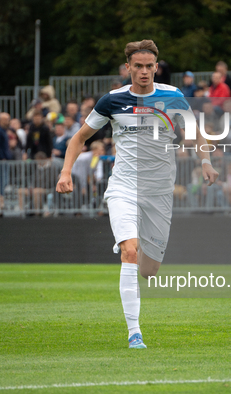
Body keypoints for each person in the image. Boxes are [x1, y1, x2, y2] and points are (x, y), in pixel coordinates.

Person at [56, 39, 218, 349]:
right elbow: (79, 139)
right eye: (138, 66)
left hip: (159, 193)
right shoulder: (112, 101)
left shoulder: (172, 97)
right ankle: (135, 333)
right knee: (130, 251)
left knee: (149, 270)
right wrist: (65, 172)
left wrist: (207, 162)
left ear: (157, 68)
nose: (144, 71)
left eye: (149, 66)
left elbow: (196, 132)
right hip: (124, 188)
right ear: (128, 67)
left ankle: (132, 242)